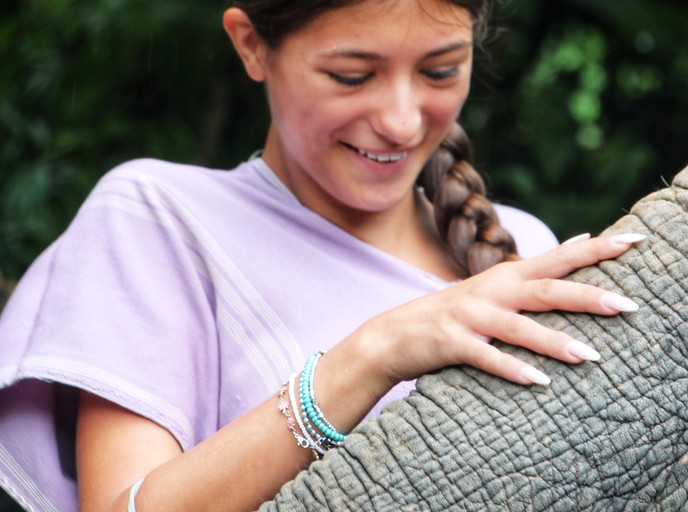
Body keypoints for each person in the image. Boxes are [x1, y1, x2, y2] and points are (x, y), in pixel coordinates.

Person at [0, 1, 646, 511]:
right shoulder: (163, 218)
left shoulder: (526, 247)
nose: (400, 120)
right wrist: (370, 356)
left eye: (440, 70)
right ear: (251, 44)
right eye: (352, 76)